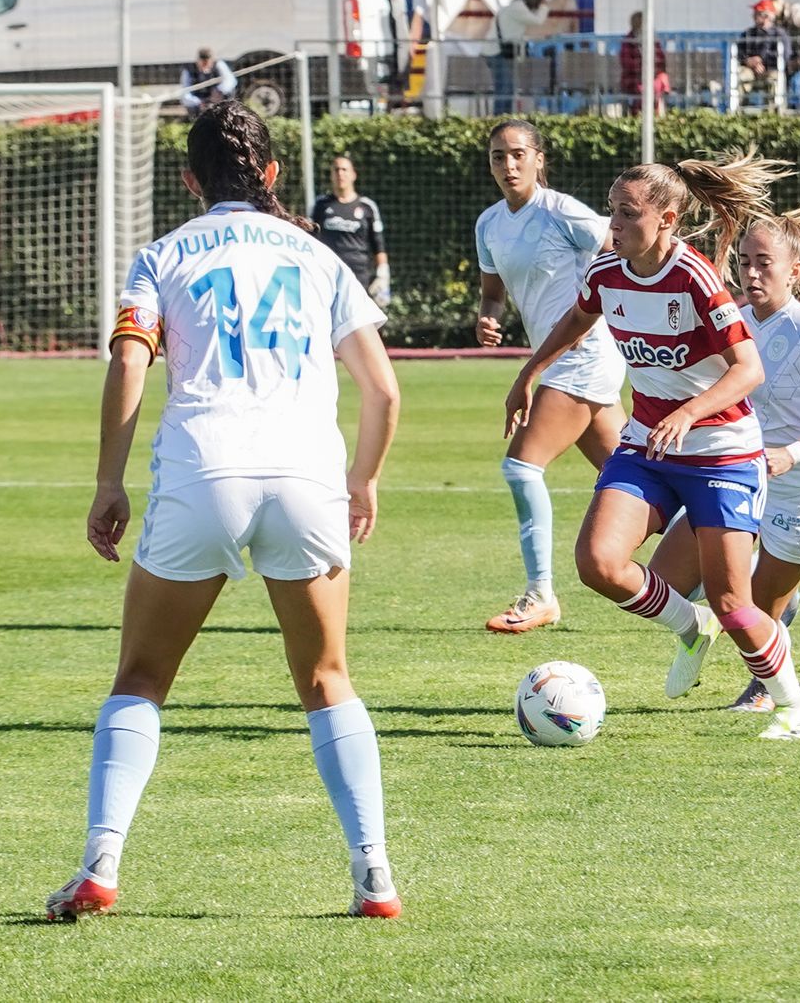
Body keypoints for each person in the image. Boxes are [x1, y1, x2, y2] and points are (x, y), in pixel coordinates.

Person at [43, 101, 403, 921]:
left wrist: (108, 481)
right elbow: (383, 389)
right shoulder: (315, 256)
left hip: (204, 468)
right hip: (306, 472)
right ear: (272, 175)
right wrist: (363, 478)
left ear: (190, 179)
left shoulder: (162, 255)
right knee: (326, 680)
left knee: (140, 678)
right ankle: (374, 876)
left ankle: (100, 865)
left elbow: (131, 364)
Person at [503, 149, 800, 742]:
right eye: (611, 213)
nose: (613, 225)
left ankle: (792, 702)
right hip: (648, 444)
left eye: (626, 215)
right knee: (598, 564)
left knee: (734, 602)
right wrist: (530, 373)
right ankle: (690, 626)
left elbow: (747, 369)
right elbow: (578, 319)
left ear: (667, 221)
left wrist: (691, 412)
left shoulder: (693, 276)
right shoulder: (606, 271)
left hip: (723, 451)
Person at [645, 190, 800, 726]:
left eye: (763, 263)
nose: (750, 273)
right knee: (664, 582)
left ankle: (767, 693)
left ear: (795, 270)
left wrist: (790, 454)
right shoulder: (733, 321)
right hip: (736, 476)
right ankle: (700, 629)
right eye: (744, 262)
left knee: (755, 614)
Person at [475, 118, 626, 634]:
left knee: (521, 468)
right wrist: (488, 314)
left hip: (582, 357)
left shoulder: (561, 211)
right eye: (499, 156)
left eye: (518, 154)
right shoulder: (489, 224)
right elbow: (493, 287)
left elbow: (619, 251)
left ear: (540, 159)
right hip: (559, 360)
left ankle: (541, 594)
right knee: (630, 479)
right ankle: (709, 574)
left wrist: (597, 313)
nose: (509, 164)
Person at [310, 155, 392, 308]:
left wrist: (383, 274)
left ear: (353, 174)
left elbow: (378, 244)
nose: (340, 173)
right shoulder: (320, 205)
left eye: (344, 169)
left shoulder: (367, 207)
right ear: (331, 175)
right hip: (328, 275)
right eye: (336, 170)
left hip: (359, 278)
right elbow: (310, 237)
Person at [492, 0, 549, 114]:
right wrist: (544, 6)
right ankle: (500, 117)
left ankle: (502, 116)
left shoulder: (515, 7)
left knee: (506, 88)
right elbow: (538, 21)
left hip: (503, 51)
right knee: (505, 89)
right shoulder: (518, 8)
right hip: (501, 52)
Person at [738, 0, 793, 107]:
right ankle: (739, 109)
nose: (754, 16)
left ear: (767, 16)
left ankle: (772, 114)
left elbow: (785, 55)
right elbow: (739, 52)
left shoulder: (780, 34)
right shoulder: (748, 33)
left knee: (774, 80)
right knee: (740, 76)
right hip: (751, 70)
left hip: (771, 70)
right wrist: (748, 61)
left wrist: (762, 61)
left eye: (757, 14)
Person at [618, 11, 670, 115]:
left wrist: (654, 68)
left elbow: (661, 59)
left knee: (660, 82)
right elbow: (627, 64)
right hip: (634, 78)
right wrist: (645, 66)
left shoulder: (653, 40)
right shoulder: (628, 41)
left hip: (652, 76)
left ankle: (656, 114)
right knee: (644, 89)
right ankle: (641, 115)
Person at [179, 47, 237, 119]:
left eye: (207, 63)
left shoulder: (219, 64)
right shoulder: (189, 70)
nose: (205, 66)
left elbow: (231, 81)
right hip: (199, 102)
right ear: (198, 60)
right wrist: (199, 102)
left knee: (230, 92)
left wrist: (219, 90)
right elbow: (185, 94)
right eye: (203, 63)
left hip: (217, 99)